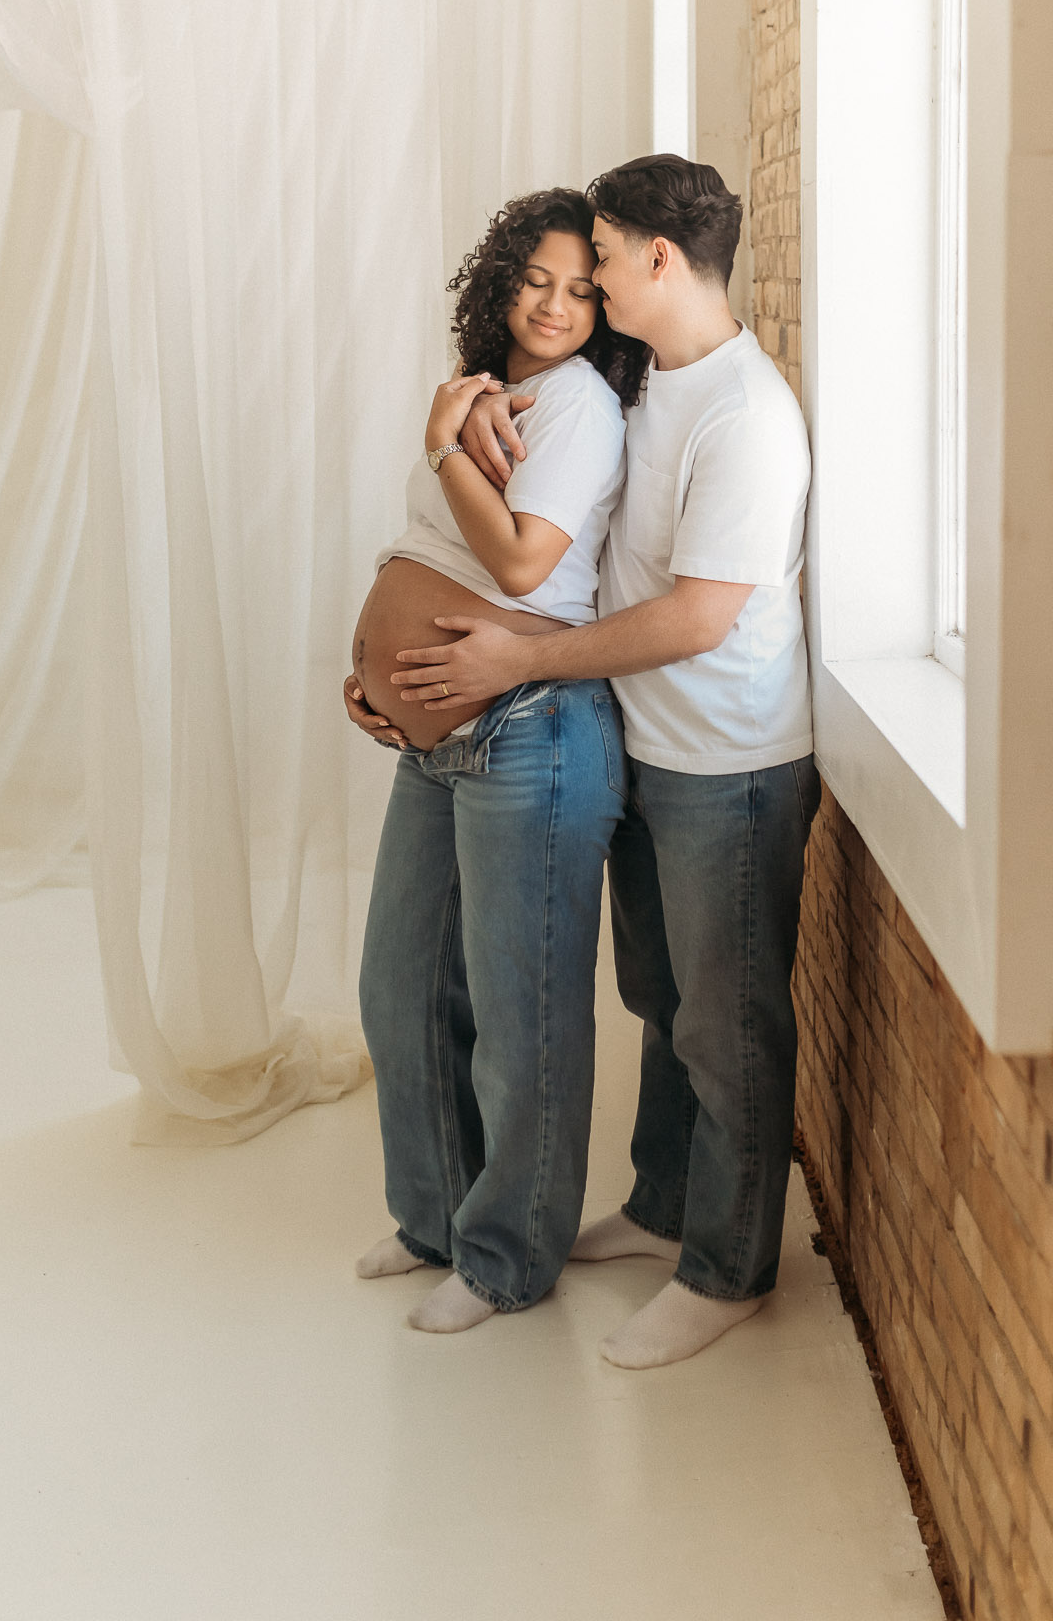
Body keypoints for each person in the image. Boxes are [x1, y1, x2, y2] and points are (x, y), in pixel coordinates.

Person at [391, 153, 819, 1368]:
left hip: (727, 766)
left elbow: (696, 617)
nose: (586, 278)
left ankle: (724, 1268)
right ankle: (661, 1202)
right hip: (645, 741)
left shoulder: (747, 416)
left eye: (603, 254)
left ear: (657, 261)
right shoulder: (648, 383)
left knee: (726, 1029)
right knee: (662, 1001)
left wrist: (521, 660)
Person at [345, 187, 648, 1333]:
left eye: (582, 288)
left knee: (522, 1015)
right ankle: (433, 1219)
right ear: (499, 277)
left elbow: (522, 567)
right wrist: (374, 671)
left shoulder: (578, 408)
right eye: (536, 278)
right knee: (402, 985)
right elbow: (434, 544)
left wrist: (438, 440)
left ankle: (508, 1256)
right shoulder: (490, 389)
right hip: (436, 738)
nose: (557, 304)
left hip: (532, 734)